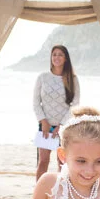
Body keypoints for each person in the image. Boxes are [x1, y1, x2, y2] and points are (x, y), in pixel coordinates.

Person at [32, 44, 79, 180]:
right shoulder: (42, 77)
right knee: (43, 161)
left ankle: (60, 193)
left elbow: (75, 104)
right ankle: (39, 192)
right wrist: (43, 121)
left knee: (62, 162)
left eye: (60, 55)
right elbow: (36, 102)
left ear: (65, 59)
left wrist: (62, 125)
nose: (56, 57)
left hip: (65, 127)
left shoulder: (73, 79)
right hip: (45, 126)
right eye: (54, 54)